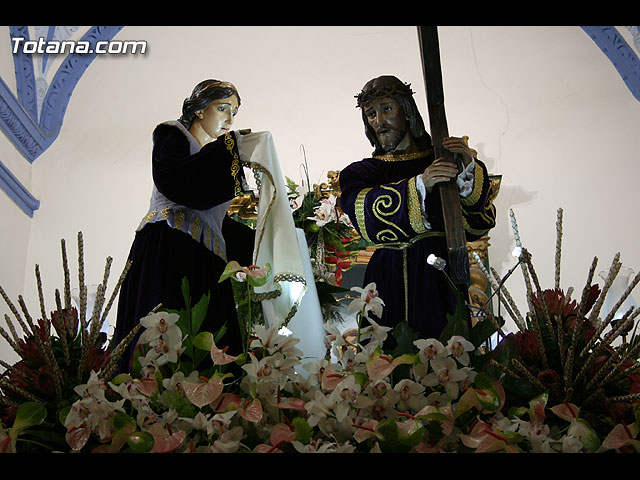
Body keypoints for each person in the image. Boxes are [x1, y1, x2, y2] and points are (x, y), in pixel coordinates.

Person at [339, 75, 496, 347]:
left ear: (407, 110)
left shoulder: (442, 160)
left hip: (438, 274)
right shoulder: (360, 173)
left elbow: (477, 226)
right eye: (371, 114)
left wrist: (468, 169)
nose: (379, 120)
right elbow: (363, 216)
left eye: (387, 109)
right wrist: (421, 184)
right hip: (386, 278)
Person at [112, 79, 255, 371]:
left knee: (205, 345)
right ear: (200, 110)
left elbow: (218, 223)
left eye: (234, 113)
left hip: (205, 260)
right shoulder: (172, 134)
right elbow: (180, 183)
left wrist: (267, 238)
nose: (229, 119)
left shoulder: (214, 161)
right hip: (169, 248)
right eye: (223, 108)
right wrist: (231, 149)